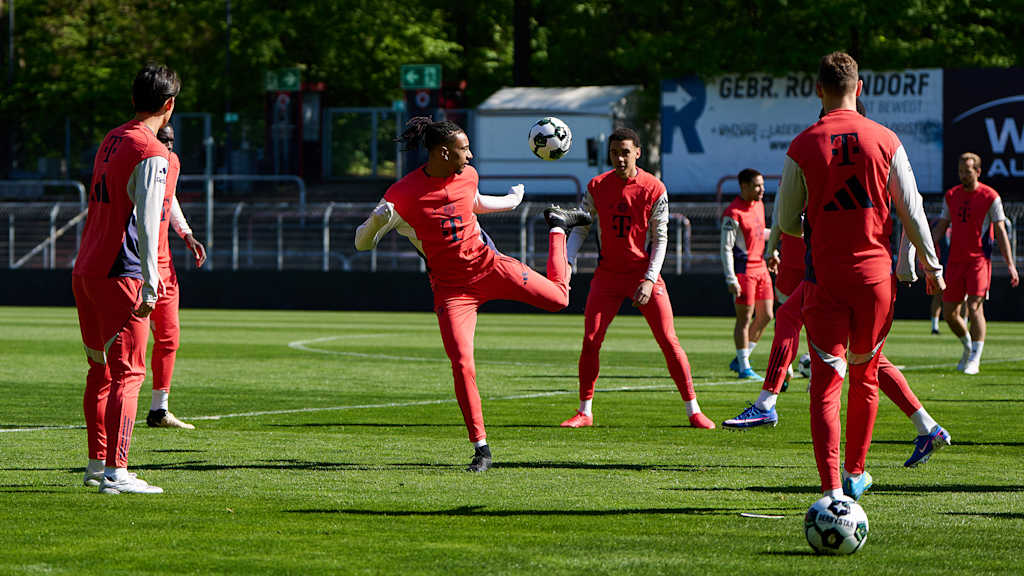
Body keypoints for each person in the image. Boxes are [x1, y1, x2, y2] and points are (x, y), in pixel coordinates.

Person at [354, 117, 591, 472]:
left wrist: (511, 201)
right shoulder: (401, 194)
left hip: (491, 266)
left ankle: (557, 226)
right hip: (453, 291)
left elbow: (473, 202)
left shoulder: (468, 174)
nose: (471, 155)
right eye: (464, 149)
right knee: (463, 363)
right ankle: (482, 449)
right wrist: (376, 220)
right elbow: (362, 244)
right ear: (443, 153)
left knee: (560, 299)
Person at [776, 52, 944, 502]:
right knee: (865, 375)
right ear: (860, 87)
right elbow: (913, 211)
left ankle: (831, 489)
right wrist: (932, 266)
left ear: (818, 90)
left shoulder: (803, 143)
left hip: (824, 279)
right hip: (875, 280)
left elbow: (787, 220)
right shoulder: (886, 139)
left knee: (826, 385)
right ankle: (854, 474)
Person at [726, 215, 951, 468]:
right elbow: (910, 207)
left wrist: (923, 266)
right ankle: (927, 428)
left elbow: (910, 206)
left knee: (793, 320)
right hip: (863, 267)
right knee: (868, 359)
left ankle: (769, 404)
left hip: (845, 265)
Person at [558, 128, 715, 430]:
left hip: (643, 275)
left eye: (625, 152)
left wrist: (649, 278)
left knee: (668, 340)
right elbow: (581, 227)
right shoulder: (596, 186)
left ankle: (694, 410)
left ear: (638, 153)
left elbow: (661, 237)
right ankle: (584, 411)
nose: (620, 158)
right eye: (614, 153)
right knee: (591, 340)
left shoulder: (654, 188)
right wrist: (567, 262)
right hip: (607, 276)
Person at [73, 64, 180, 494]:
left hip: (86, 268)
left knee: (98, 371)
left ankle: (96, 464)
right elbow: (149, 221)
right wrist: (152, 281)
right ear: (168, 105)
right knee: (129, 374)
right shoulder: (151, 150)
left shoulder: (112, 138)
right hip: (121, 271)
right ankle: (117, 473)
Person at [932, 152, 1019, 374]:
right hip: (955, 262)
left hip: (979, 261)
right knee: (950, 313)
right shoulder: (951, 195)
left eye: (967, 171)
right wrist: (925, 251)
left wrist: (1010, 265)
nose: (963, 175)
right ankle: (968, 346)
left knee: (974, 307)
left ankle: (975, 359)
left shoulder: (990, 196)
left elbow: (1000, 232)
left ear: (978, 172)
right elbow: (941, 226)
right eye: (961, 171)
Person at [146, 124, 207, 430]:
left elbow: (169, 198)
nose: (167, 146)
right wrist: (145, 267)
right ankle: (115, 405)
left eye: (170, 141)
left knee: (169, 336)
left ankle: (159, 409)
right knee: (127, 341)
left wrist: (186, 233)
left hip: (164, 262)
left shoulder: (172, 162)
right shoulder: (141, 161)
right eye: (162, 139)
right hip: (136, 262)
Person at [721, 168, 773, 380]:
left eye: (762, 185)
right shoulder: (733, 213)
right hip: (744, 271)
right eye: (757, 186)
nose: (762, 189)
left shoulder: (759, 205)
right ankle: (744, 367)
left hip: (761, 267)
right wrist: (731, 277)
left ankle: (741, 358)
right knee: (744, 318)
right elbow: (726, 247)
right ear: (744, 186)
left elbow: (760, 233)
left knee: (767, 315)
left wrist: (775, 244)